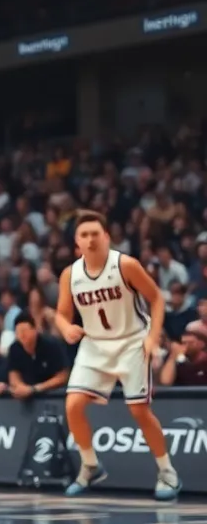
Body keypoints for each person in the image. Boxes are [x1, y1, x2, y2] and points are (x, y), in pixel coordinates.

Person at [58, 209, 180, 500]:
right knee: (73, 405)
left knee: (139, 410)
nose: (90, 240)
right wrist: (66, 328)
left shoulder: (125, 265)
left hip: (131, 341)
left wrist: (153, 337)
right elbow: (61, 314)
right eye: (84, 235)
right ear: (77, 241)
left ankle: (167, 472)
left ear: (106, 237)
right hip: (94, 345)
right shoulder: (70, 275)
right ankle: (91, 465)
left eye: (95, 234)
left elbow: (156, 298)